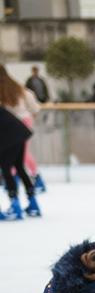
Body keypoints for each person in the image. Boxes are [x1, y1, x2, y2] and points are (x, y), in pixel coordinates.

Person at [0, 64, 40, 219]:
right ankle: (33, 202)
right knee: (19, 166)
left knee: (6, 167)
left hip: (9, 131)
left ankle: (15, 205)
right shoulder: (17, 88)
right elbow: (33, 106)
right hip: (21, 128)